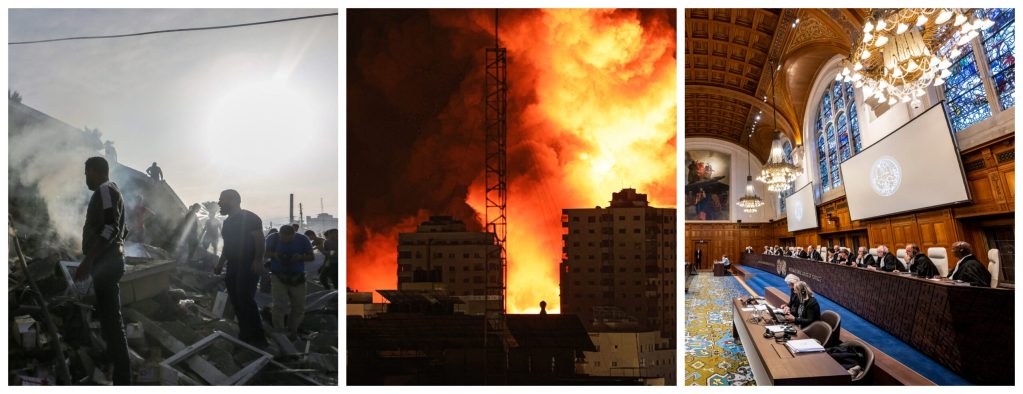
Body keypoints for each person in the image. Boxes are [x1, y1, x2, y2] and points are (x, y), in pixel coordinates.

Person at [77, 157, 131, 384]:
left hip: (106, 263)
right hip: (109, 261)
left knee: (113, 321)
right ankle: (110, 357)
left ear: (96, 171)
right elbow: (123, 230)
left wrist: (89, 260)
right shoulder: (111, 191)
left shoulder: (105, 191)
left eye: (86, 172)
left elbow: (112, 226)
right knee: (107, 316)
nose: (85, 177)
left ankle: (122, 379)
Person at [214, 189, 268, 347]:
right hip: (232, 265)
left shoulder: (250, 218)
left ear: (233, 200)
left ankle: (259, 338)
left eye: (221, 200)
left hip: (248, 263)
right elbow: (227, 245)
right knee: (236, 300)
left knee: (245, 298)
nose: (219, 203)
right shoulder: (227, 222)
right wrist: (220, 263)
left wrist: (258, 260)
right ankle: (245, 334)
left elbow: (260, 239)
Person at [266, 225, 314, 336]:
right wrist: (275, 255)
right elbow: (263, 253)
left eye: (289, 238)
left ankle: (292, 330)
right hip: (278, 275)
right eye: (283, 238)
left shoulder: (303, 239)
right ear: (280, 234)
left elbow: (311, 256)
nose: (286, 241)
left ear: (294, 234)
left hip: (297, 277)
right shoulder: (272, 238)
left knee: (299, 306)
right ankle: (279, 332)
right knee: (279, 304)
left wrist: (300, 257)